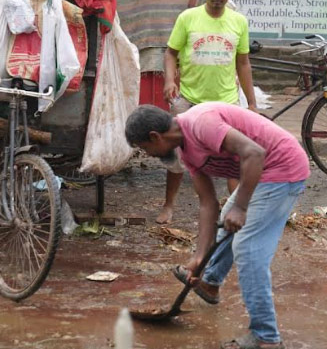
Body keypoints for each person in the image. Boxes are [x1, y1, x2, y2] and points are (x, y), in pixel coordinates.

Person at [125, 103, 309, 349]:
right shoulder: (186, 151)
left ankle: (266, 336)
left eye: (144, 148)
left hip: (281, 168)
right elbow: (207, 204)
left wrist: (241, 207)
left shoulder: (202, 124)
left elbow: (254, 153)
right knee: (226, 222)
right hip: (261, 173)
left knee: (248, 249)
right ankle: (209, 282)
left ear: (155, 137)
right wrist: (199, 259)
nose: (147, 154)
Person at [157, 0, 257, 224]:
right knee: (177, 156)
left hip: (226, 103)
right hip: (188, 99)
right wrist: (170, 80)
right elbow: (170, 53)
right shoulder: (187, 18)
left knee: (234, 158)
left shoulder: (239, 21)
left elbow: (243, 63)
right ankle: (168, 206)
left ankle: (236, 211)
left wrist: (252, 104)